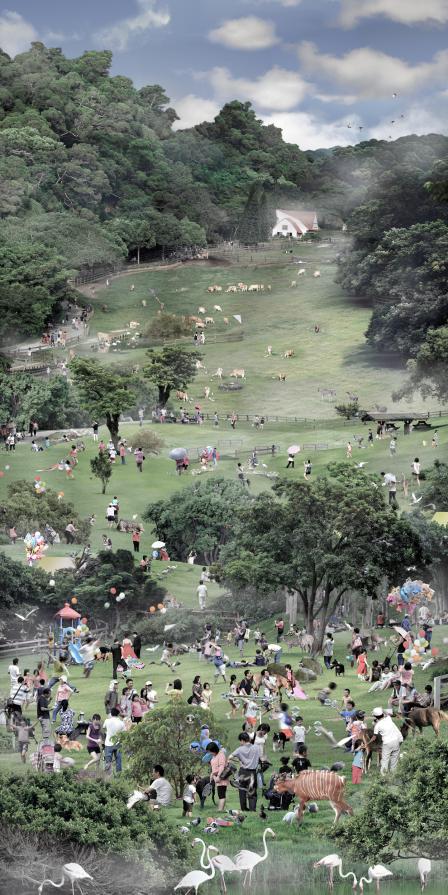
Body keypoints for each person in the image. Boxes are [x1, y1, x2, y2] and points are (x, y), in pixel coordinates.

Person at [228, 732, 262, 812]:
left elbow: (229, 757)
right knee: (252, 791)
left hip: (243, 772)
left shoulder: (239, 749)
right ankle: (252, 809)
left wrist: (239, 760)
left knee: (242, 790)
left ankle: (243, 808)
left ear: (242, 740)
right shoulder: (256, 747)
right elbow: (260, 758)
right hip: (252, 772)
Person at [372, 707, 403, 775]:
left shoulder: (377, 725)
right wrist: (382, 709)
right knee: (394, 761)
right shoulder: (389, 718)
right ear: (382, 714)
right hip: (396, 741)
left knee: (385, 761)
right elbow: (388, 712)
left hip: (387, 743)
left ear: (375, 716)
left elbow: (374, 737)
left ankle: (384, 778)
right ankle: (393, 776)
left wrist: (367, 743)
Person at [103, 707, 126, 775]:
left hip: (108, 743)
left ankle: (108, 775)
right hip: (118, 743)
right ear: (118, 714)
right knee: (118, 760)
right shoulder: (121, 723)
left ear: (111, 714)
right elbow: (124, 733)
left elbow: (104, 728)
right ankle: (118, 774)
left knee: (108, 761)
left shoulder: (107, 721)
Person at [208, 741, 229, 811]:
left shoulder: (221, 755)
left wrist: (218, 776)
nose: (210, 753)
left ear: (214, 749)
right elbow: (214, 767)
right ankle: (220, 809)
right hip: (216, 777)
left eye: (210, 751)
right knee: (220, 794)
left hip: (221, 777)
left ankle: (220, 810)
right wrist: (212, 775)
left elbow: (221, 766)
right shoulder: (214, 756)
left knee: (221, 794)